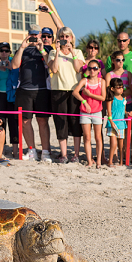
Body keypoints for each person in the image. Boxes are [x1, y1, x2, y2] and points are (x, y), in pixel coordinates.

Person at [10, 24, 52, 163]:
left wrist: (42, 51)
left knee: (42, 121)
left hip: (42, 90)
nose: (34, 37)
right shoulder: (22, 49)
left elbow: (51, 66)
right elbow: (14, 66)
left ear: (40, 35)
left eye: (36, 34)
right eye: (32, 35)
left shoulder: (47, 49)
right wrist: (22, 48)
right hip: (24, 91)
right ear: (28, 34)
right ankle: (31, 150)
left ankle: (45, 152)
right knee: (26, 121)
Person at [47, 27, 84, 163]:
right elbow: (54, 69)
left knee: (75, 122)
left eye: (67, 36)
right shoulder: (52, 52)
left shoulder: (78, 52)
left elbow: (78, 69)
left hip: (74, 90)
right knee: (60, 121)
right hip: (58, 90)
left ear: (72, 38)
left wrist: (72, 52)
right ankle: (64, 154)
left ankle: (76, 154)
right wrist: (57, 52)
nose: (64, 39)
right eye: (62, 36)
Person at [105, 32, 132, 165]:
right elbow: (108, 87)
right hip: (116, 104)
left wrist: (122, 94)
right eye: (119, 40)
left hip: (130, 101)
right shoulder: (110, 64)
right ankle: (117, 156)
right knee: (117, 131)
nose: (121, 42)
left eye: (124, 40)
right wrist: (120, 95)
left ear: (128, 41)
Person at [73, 59, 106, 168]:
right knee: (87, 137)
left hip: (97, 112)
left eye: (95, 68)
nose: (92, 70)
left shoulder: (102, 81)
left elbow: (103, 97)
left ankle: (99, 161)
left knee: (98, 137)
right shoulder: (84, 81)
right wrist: (84, 101)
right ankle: (89, 161)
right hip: (85, 112)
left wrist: (89, 94)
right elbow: (75, 92)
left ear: (99, 70)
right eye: (90, 68)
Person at [0, 42, 19, 158]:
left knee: (13, 123)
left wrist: (11, 67)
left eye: (6, 51)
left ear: (10, 52)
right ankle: (2, 149)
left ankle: (15, 150)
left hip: (11, 95)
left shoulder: (13, 61)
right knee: (1, 122)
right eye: (2, 51)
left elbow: (17, 74)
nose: (4, 53)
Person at [106, 78, 132, 166]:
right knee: (113, 144)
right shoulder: (111, 98)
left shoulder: (124, 98)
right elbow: (109, 112)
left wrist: (128, 113)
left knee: (121, 145)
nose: (121, 89)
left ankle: (121, 162)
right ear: (112, 88)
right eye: (119, 87)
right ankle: (110, 161)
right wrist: (111, 121)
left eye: (122, 87)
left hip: (121, 124)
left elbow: (123, 111)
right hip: (112, 123)